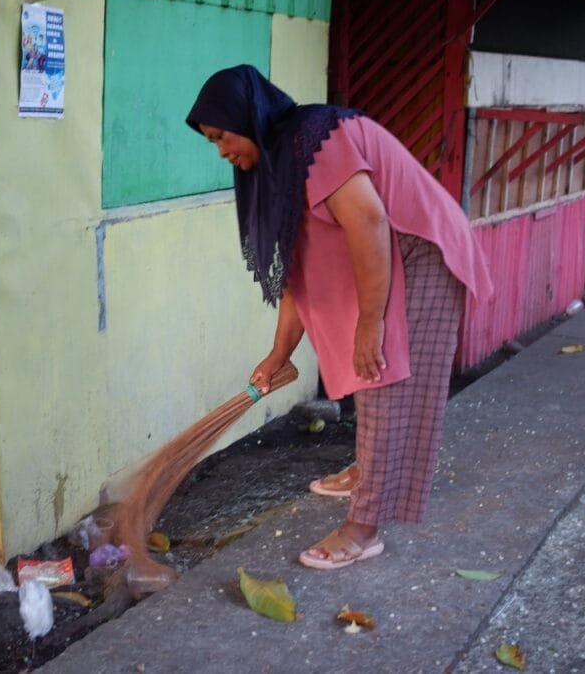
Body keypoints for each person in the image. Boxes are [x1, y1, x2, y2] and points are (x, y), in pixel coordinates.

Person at [186, 65, 493, 570]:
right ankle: (370, 471)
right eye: (211, 142)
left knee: (384, 375)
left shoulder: (317, 140)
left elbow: (369, 220)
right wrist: (278, 354)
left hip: (421, 251)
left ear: (248, 117)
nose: (220, 151)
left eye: (222, 136)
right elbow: (299, 270)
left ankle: (363, 529)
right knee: (367, 370)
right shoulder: (280, 164)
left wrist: (371, 322)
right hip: (387, 251)